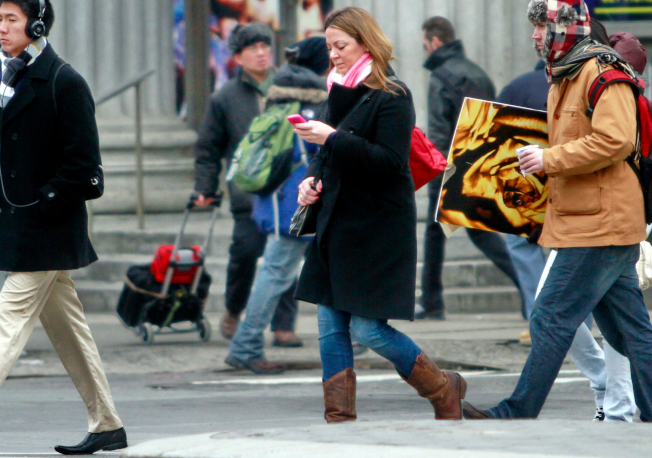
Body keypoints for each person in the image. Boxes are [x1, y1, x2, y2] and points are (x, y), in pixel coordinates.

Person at [463, 0, 652, 421]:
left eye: (539, 27)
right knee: (630, 332)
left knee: (550, 315)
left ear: (563, 29)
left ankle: (518, 410)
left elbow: (616, 141)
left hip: (601, 223)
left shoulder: (602, 72)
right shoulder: (565, 74)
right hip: (593, 220)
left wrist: (549, 159)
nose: (533, 36)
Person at [293, 7, 466, 423]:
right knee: (330, 326)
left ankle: (443, 388)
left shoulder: (394, 94)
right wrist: (310, 180)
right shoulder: (337, 89)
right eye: (329, 46)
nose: (332, 55)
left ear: (365, 44)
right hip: (336, 222)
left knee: (368, 330)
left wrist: (331, 137)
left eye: (340, 46)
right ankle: (339, 420)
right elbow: (327, 156)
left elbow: (390, 163)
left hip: (377, 228)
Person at [0, 0, 127, 454]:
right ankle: (107, 423)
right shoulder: (4, 80)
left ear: (35, 24)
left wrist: (45, 201)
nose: (1, 28)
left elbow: (83, 165)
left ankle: (107, 422)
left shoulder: (64, 80)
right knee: (71, 333)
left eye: (10, 19)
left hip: (47, 228)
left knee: (6, 325)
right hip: (16, 226)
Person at [193, 21, 303, 348]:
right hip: (248, 194)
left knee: (284, 256)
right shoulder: (224, 97)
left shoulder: (288, 88)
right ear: (237, 57)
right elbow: (208, 149)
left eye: (266, 47)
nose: (262, 53)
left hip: (286, 191)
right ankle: (234, 308)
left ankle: (284, 324)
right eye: (253, 48)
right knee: (245, 252)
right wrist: (205, 187)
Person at [224, 37, 329, 375]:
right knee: (274, 274)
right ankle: (246, 345)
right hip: (296, 206)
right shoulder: (311, 108)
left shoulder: (279, 100)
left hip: (276, 204)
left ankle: (353, 339)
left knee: (282, 273)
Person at [421, 16, 525, 320]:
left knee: (435, 233)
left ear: (435, 42)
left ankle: (432, 303)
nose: (425, 50)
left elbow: (439, 131)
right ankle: (530, 289)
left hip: (449, 168)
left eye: (426, 44)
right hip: (480, 165)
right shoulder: (478, 74)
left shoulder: (441, 75)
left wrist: (437, 175)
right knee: (482, 234)